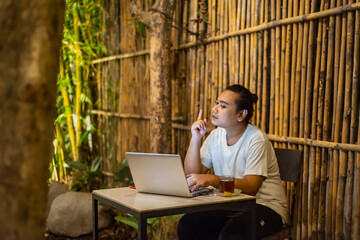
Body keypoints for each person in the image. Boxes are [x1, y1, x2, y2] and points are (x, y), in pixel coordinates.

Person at [177, 84, 288, 240]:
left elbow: (251, 188)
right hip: (231, 206)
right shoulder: (215, 136)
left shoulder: (256, 139)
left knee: (232, 234)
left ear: (241, 115)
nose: (215, 109)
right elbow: (192, 174)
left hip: (265, 207)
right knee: (188, 224)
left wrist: (212, 180)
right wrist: (195, 139)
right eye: (217, 103)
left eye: (223, 106)